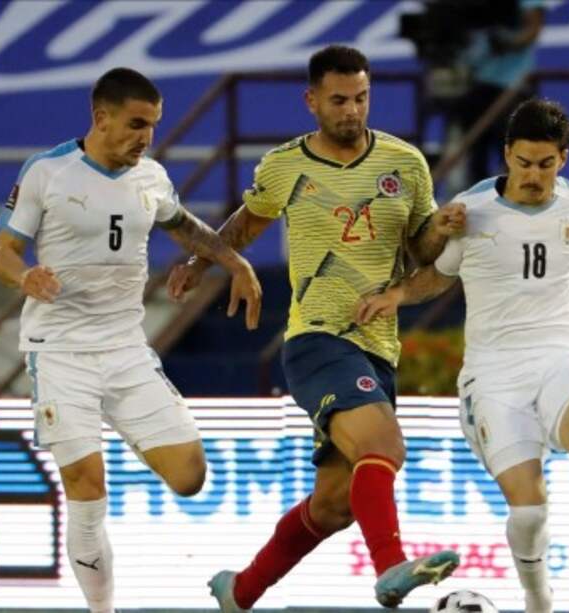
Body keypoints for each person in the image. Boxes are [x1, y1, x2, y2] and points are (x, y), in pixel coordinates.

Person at [167, 45, 466, 610]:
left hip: (378, 346)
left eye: (361, 98)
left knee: (334, 505)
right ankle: (390, 566)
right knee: (382, 444)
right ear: (312, 101)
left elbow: (421, 249)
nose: (352, 111)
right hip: (318, 338)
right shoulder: (284, 165)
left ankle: (240, 591)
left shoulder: (405, 163)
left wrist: (442, 229)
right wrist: (200, 263)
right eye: (339, 100)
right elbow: (247, 223)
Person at [357, 99, 569, 613]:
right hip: (494, 373)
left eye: (545, 164)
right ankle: (538, 598)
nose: (533, 176)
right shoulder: (472, 210)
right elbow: (439, 273)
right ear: (506, 155)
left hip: (562, 354)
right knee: (529, 512)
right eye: (523, 163)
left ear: (563, 159)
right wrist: (399, 295)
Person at [0, 67, 262, 613]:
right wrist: (26, 277)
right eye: (137, 124)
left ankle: (117, 428)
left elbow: (184, 225)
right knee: (87, 485)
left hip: (125, 350)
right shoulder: (47, 171)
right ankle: (103, 610)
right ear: (101, 117)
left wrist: (233, 261)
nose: (146, 137)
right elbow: (3, 253)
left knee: (189, 475)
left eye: (153, 125)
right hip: (60, 351)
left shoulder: (151, 177)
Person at [452, 0, 546, 185]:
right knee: (477, 151)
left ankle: (512, 193)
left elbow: (532, 30)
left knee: (513, 145)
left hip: (513, 84)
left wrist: (507, 42)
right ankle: (477, 193)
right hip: (479, 81)